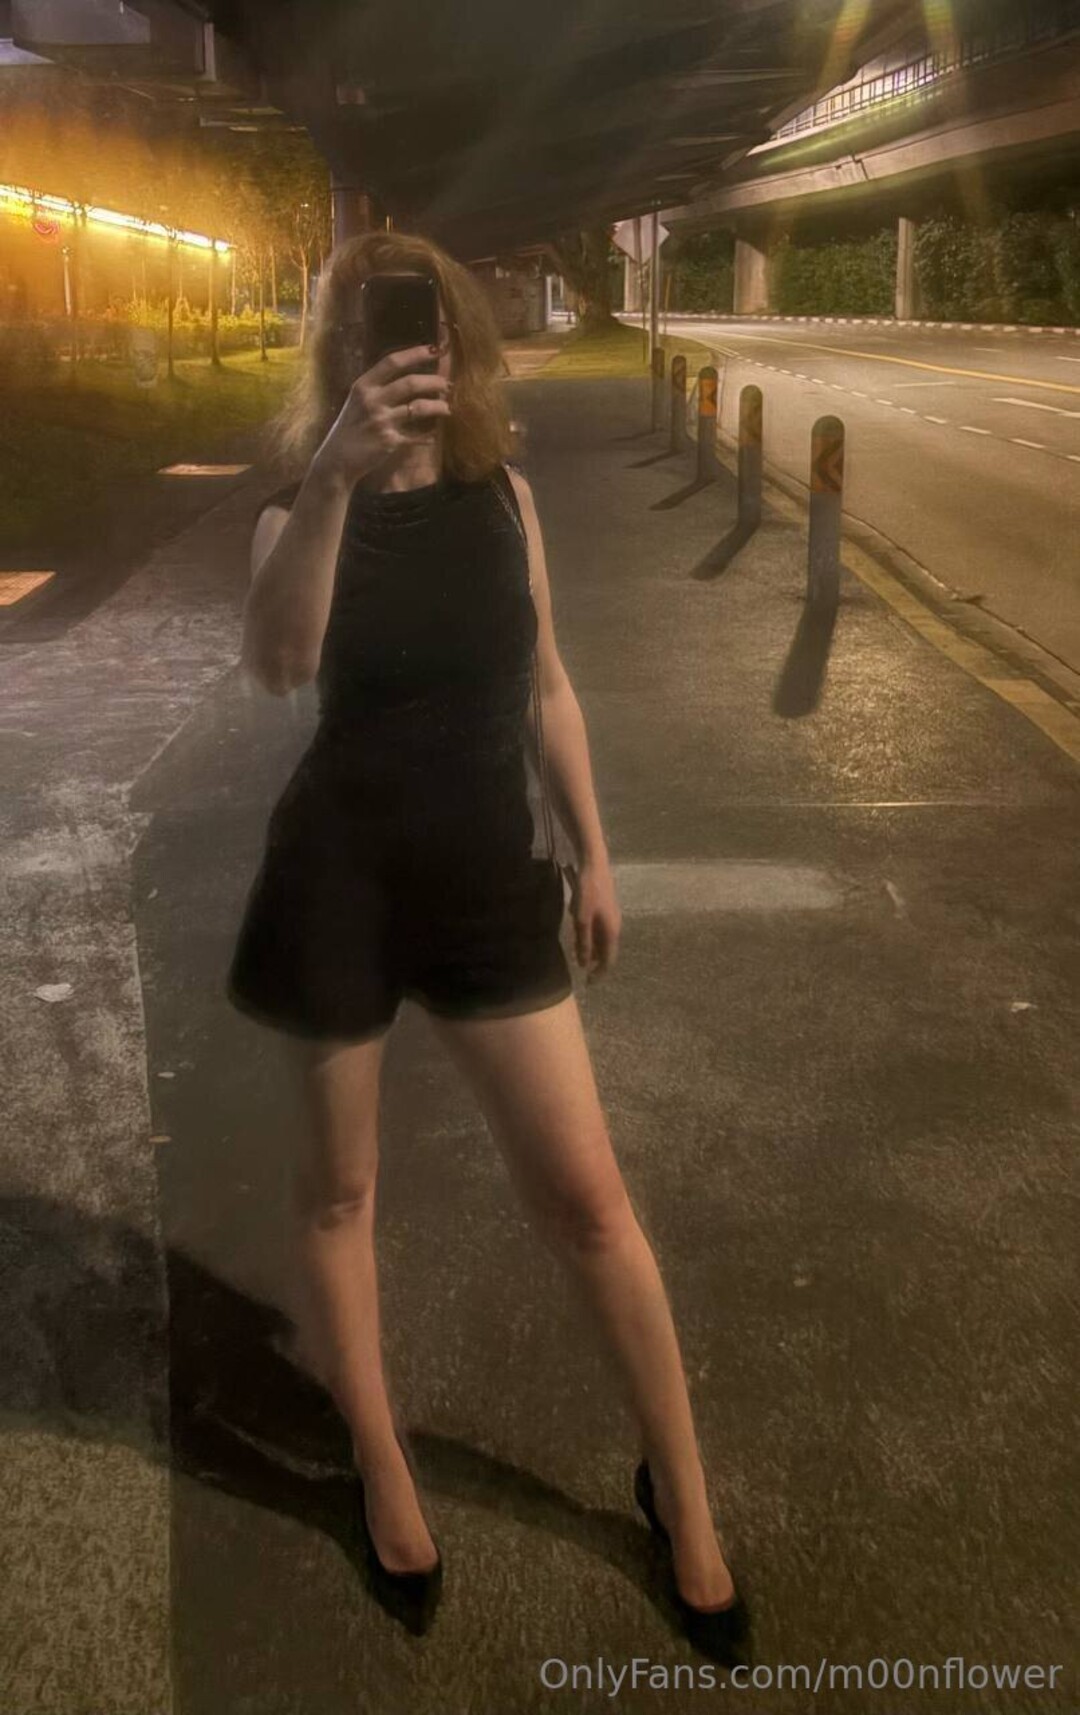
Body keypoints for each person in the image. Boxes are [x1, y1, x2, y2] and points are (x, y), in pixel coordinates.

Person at [226, 228, 749, 1657]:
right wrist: (333, 481)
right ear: (338, 358)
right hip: (335, 885)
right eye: (379, 334)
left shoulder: (508, 500)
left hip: (481, 885)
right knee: (340, 1195)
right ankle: (380, 1461)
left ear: (461, 348)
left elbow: (549, 689)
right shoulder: (294, 511)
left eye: (433, 331)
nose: (415, 357)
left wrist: (595, 851)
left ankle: (682, 1491)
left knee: (589, 1201)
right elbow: (277, 663)